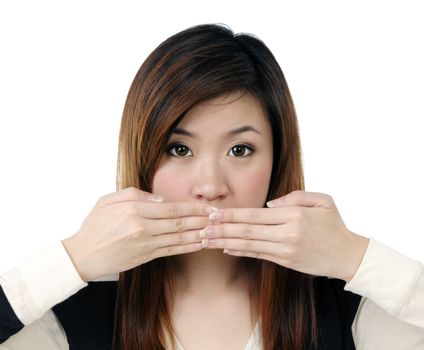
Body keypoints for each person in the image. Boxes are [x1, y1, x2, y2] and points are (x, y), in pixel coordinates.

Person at [0, 23, 423, 350]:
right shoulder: (74, 311)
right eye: (179, 149)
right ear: (142, 155)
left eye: (240, 150)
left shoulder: (345, 307)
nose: (209, 186)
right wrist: (74, 258)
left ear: (277, 159)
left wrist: (354, 256)